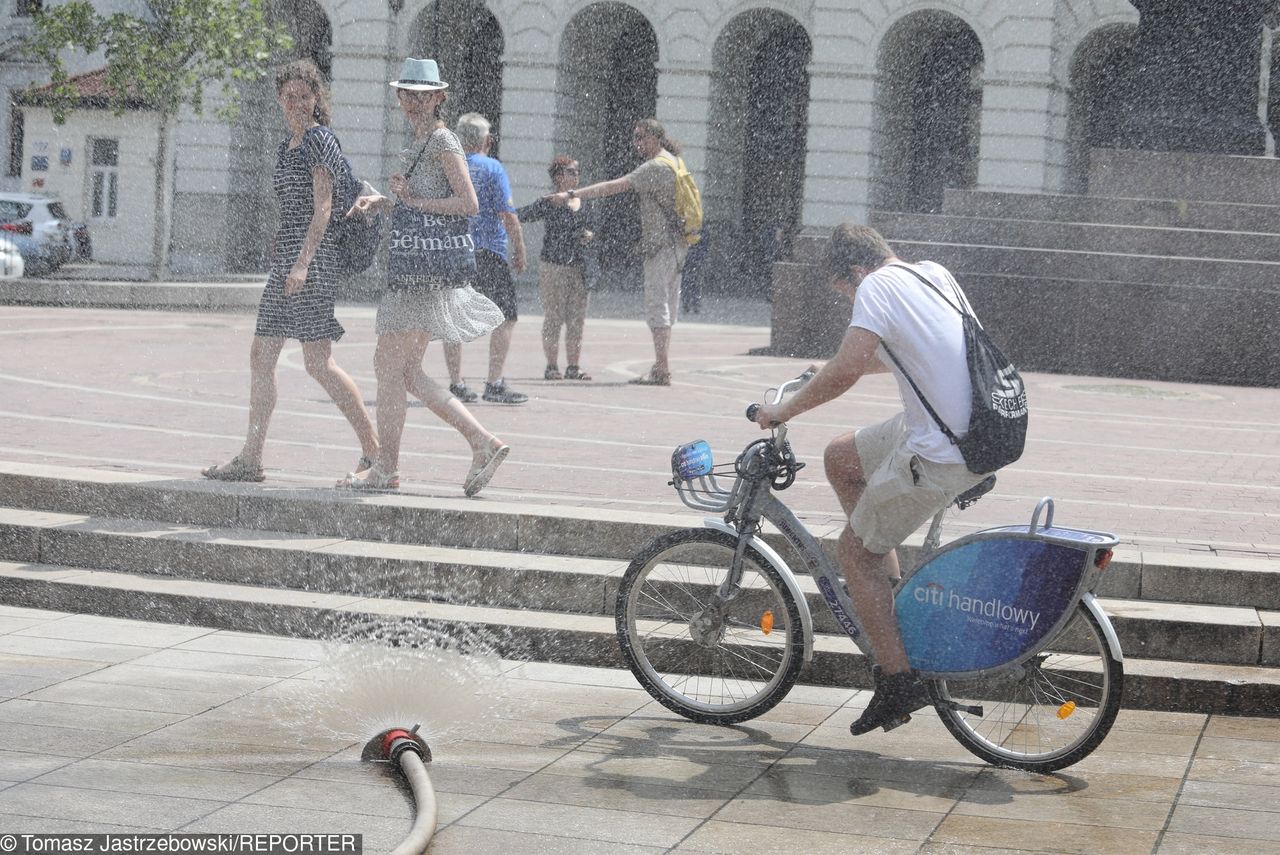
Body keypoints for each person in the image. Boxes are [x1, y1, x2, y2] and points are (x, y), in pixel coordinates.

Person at [752, 223, 990, 735]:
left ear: (857, 271)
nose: (849, 299)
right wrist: (832, 366)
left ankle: (898, 679)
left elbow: (847, 372)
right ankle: (891, 604)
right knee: (842, 457)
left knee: (854, 552)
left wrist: (783, 410)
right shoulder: (931, 274)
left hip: (943, 449)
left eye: (846, 291)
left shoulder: (877, 286)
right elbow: (921, 352)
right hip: (971, 429)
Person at [339, 58, 509, 496]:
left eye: (423, 95)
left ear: (439, 98)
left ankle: (387, 468)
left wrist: (414, 202)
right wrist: (386, 203)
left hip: (422, 272)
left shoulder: (443, 140)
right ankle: (480, 442)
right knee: (405, 372)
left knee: (388, 366)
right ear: (399, 96)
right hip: (417, 266)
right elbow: (421, 206)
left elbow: (468, 204)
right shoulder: (418, 141)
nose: (414, 102)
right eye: (407, 94)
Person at [202, 59, 378, 483]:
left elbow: (323, 208)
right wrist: (285, 251)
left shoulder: (319, 139)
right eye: (288, 96)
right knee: (262, 355)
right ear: (280, 100)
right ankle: (251, 457)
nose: (296, 103)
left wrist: (301, 263)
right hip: (291, 260)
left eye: (303, 95)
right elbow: (293, 208)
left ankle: (375, 451)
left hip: (312, 262)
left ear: (317, 98)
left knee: (318, 363)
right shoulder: (287, 146)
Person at [547, 118, 686, 386]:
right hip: (679, 244)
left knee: (658, 308)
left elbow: (612, 187)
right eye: (634, 137)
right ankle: (661, 366)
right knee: (668, 306)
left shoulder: (655, 166)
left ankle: (662, 369)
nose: (636, 143)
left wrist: (572, 194)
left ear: (655, 138)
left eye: (640, 137)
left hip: (661, 246)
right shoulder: (674, 161)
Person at [442, 113, 529, 405]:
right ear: (487, 141)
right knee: (505, 316)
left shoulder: (448, 165)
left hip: (454, 250)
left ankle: (456, 382)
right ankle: (493, 381)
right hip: (488, 252)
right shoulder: (492, 168)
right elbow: (508, 215)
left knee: (453, 318)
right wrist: (519, 248)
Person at [517, 155, 595, 380]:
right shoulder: (550, 201)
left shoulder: (585, 200)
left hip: (580, 267)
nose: (576, 176)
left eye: (577, 171)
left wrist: (590, 235)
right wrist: (503, 213)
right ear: (559, 176)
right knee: (554, 317)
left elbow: (594, 228)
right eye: (571, 171)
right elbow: (522, 215)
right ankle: (551, 366)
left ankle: (573, 366)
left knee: (577, 319)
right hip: (554, 266)